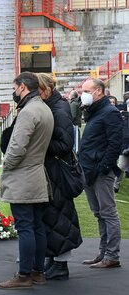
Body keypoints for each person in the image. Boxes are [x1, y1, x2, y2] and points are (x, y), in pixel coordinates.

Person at [0, 72, 54, 290]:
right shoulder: (43, 108)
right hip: (37, 174)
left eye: (15, 88)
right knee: (37, 226)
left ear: (22, 87)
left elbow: (17, 147)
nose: (14, 92)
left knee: (25, 227)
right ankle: (37, 272)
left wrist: (7, 167)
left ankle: (24, 275)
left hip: (24, 176)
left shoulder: (29, 111)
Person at [36, 73, 82, 281]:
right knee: (52, 216)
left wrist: (40, 143)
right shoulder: (52, 107)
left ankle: (61, 264)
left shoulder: (59, 109)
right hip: (51, 171)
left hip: (58, 172)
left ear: (46, 89)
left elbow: (65, 145)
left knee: (61, 216)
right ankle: (53, 259)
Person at [78, 78, 123, 269]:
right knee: (99, 213)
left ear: (98, 91)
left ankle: (112, 255)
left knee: (108, 213)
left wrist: (103, 168)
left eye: (86, 90)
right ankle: (104, 253)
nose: (83, 94)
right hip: (88, 170)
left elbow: (115, 144)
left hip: (100, 172)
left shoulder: (110, 113)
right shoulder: (95, 112)